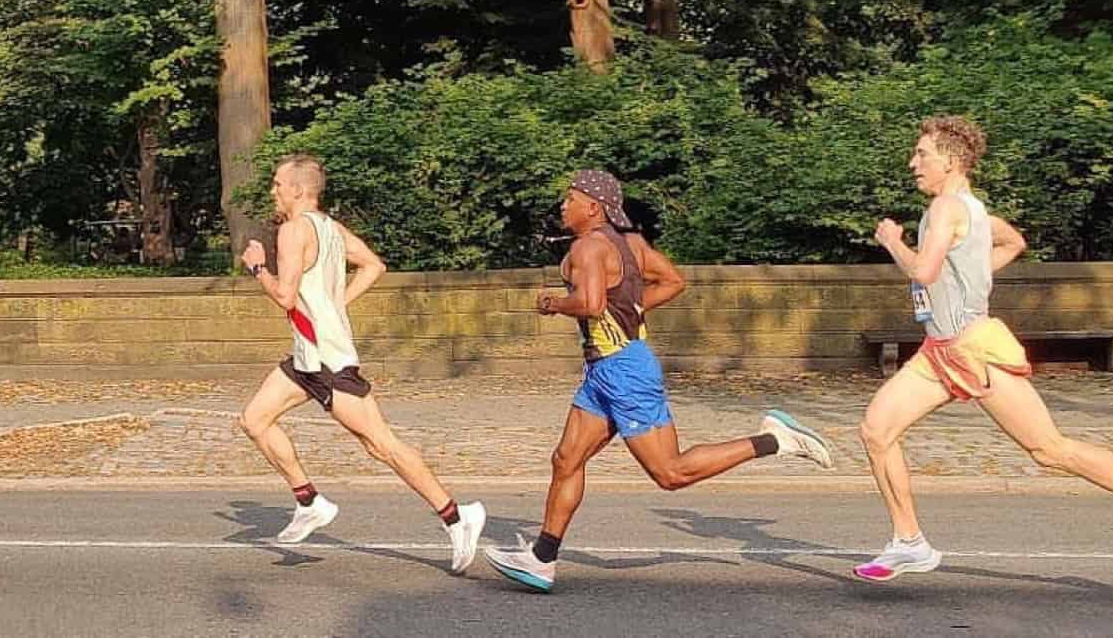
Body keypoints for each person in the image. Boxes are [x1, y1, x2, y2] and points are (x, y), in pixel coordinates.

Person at [854, 116, 1113, 582]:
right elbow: (1014, 242)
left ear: (951, 158)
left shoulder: (946, 209)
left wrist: (893, 243)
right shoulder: (973, 210)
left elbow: (922, 272)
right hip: (938, 352)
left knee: (1049, 449)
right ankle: (909, 543)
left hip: (973, 350)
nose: (912, 163)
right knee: (876, 431)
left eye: (921, 154)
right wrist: (971, 275)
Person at [484, 169, 832, 592]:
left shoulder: (589, 246)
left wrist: (553, 303)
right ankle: (542, 558)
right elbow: (673, 281)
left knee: (670, 473)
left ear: (592, 207)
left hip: (624, 372)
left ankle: (775, 440)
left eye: (570, 198)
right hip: (605, 371)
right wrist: (631, 309)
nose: (563, 205)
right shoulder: (631, 244)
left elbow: (592, 305)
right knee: (566, 460)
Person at [238, 153, 485, 573]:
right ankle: (309, 501)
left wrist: (258, 267)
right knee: (255, 419)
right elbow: (374, 265)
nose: (273, 191)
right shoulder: (331, 229)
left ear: (298, 189)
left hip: (328, 360)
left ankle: (458, 518)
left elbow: (284, 295)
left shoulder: (294, 230)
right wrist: (336, 307)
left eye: (278, 184)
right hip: (306, 358)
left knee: (381, 445)